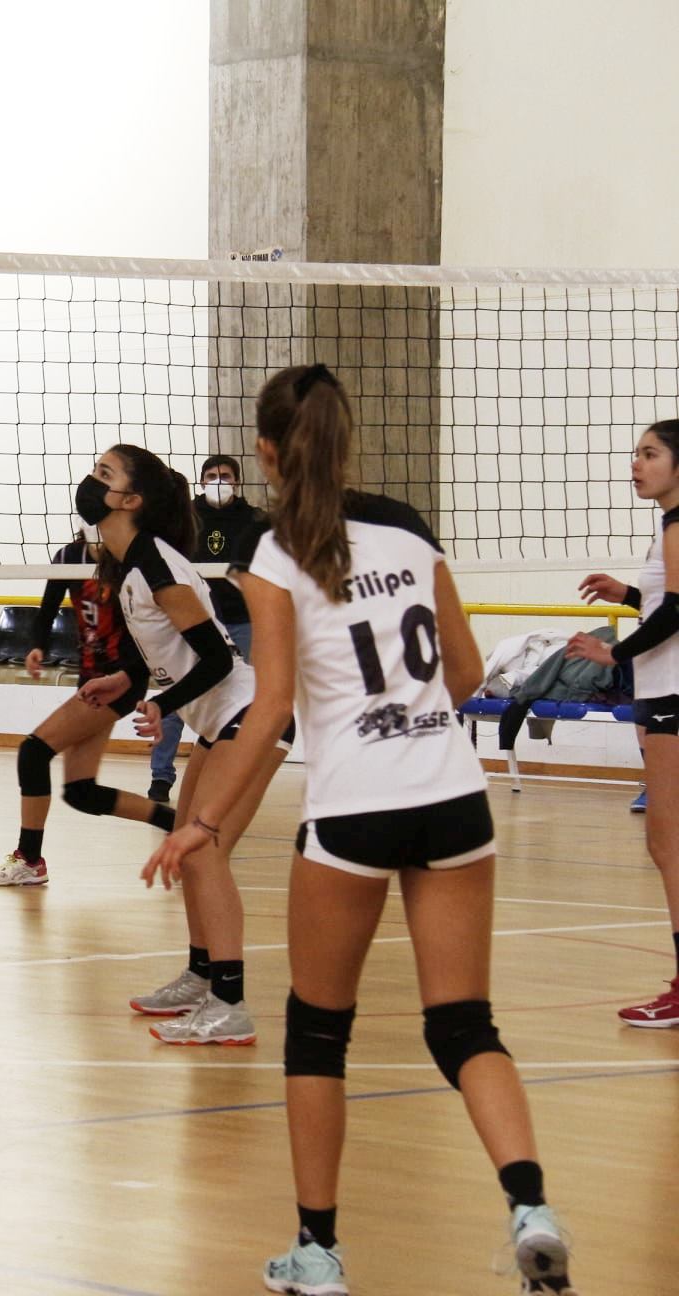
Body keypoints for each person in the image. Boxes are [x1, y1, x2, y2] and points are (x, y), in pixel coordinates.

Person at [150, 365, 576, 1295]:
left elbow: (266, 715)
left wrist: (204, 823)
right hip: (453, 796)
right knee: (465, 1025)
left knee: (318, 1032)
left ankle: (318, 1252)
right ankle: (530, 1207)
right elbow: (466, 677)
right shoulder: (412, 533)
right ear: (349, 442)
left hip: (354, 807)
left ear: (265, 451)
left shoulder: (270, 555)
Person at [75, 444, 284, 1045]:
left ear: (130, 501)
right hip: (218, 719)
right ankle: (201, 975)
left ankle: (230, 1002)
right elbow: (171, 652)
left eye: (103, 475)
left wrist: (163, 706)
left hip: (247, 713)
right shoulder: (128, 564)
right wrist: (131, 681)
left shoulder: (154, 565)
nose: (90, 482)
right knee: (186, 840)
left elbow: (217, 657)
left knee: (203, 851)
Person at [0, 525, 177, 889]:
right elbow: (48, 609)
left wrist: (129, 676)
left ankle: (30, 859)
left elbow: (147, 630)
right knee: (82, 792)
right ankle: (174, 824)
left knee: (33, 752)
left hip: (120, 680)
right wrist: (37, 646)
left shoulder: (131, 561)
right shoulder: (70, 558)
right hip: (89, 678)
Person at [567, 417, 679, 1027]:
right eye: (636, 453)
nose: (636, 463)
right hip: (667, 692)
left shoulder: (678, 526)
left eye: (650, 454)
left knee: (668, 842)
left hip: (673, 697)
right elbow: (665, 604)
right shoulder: (668, 529)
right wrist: (629, 596)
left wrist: (615, 652)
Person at [149, 454, 265, 803]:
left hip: (240, 620)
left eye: (226, 476)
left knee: (239, 702)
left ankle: (230, 778)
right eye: (212, 475)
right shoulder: (186, 516)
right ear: (201, 481)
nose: (219, 481)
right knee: (178, 699)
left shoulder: (254, 520)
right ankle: (161, 776)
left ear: (237, 482)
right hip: (194, 620)